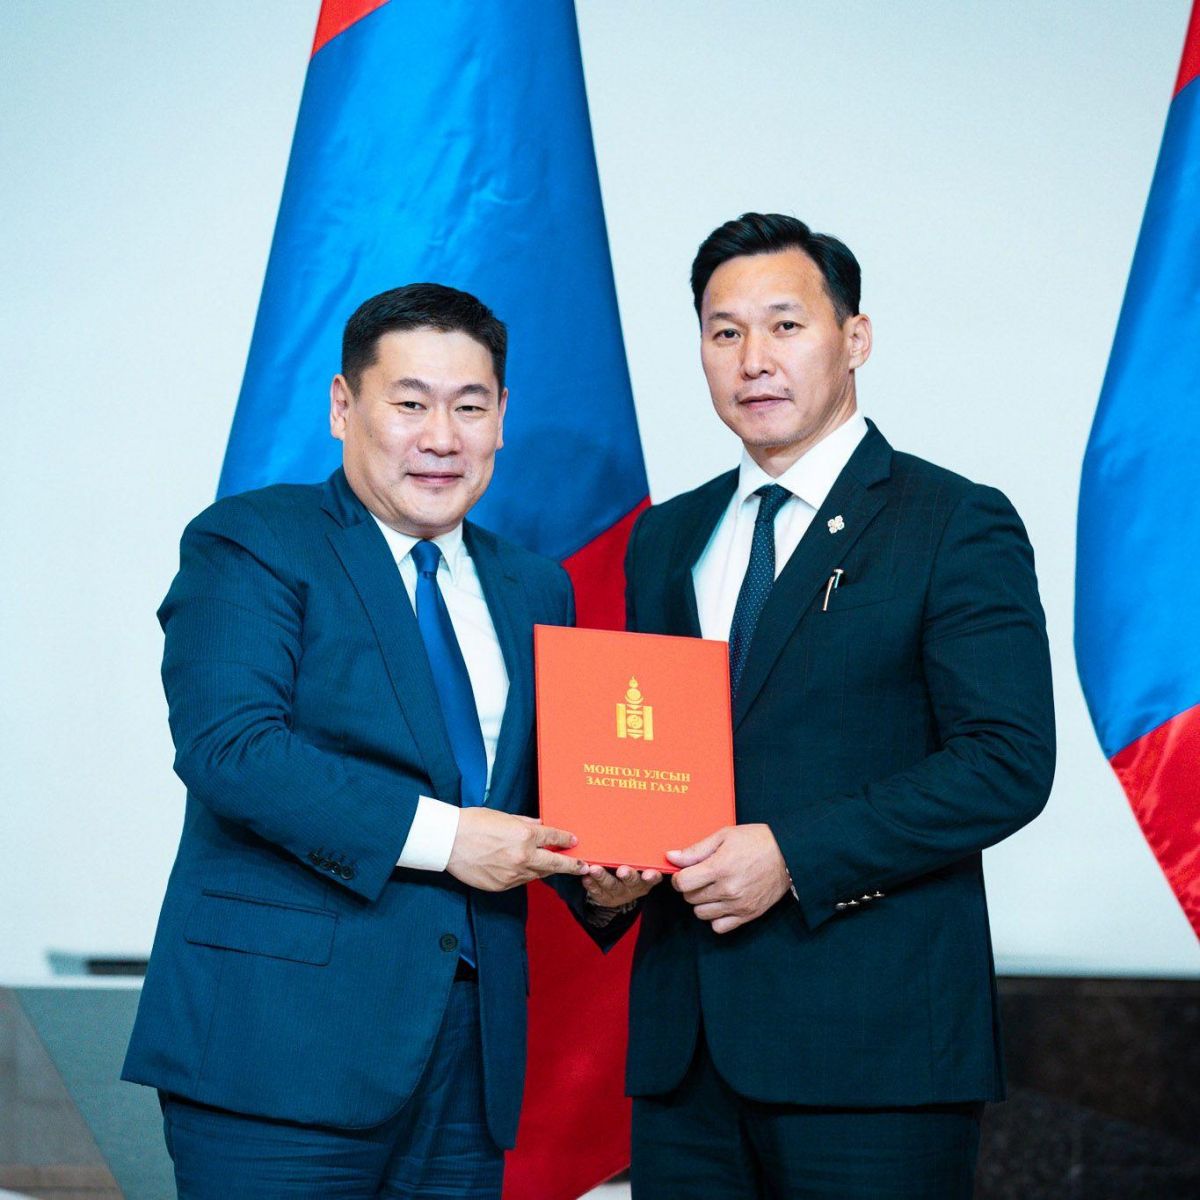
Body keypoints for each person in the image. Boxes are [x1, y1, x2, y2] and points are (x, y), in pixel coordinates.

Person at [122, 283, 637, 1199]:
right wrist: (450, 838)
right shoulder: (254, 540)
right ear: (342, 406)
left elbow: (542, 794)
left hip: (471, 1062)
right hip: (275, 1050)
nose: (441, 437)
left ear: (502, 418)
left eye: (469, 407)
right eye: (409, 403)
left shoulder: (534, 586)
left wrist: (608, 879)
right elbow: (231, 749)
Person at [620, 213, 1056, 1198]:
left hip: (876, 1053)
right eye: (724, 332)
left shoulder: (953, 521)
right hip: (687, 1060)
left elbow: (1006, 760)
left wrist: (792, 854)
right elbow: (653, 756)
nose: (753, 359)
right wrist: (609, 866)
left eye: (785, 325)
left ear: (854, 338)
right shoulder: (665, 537)